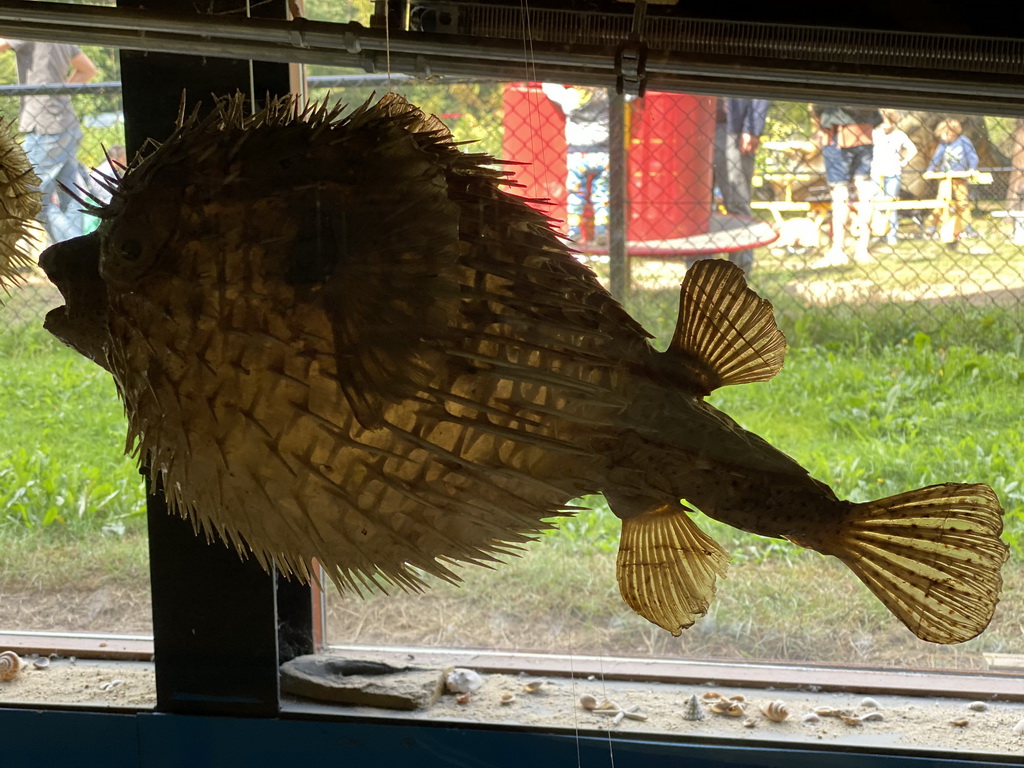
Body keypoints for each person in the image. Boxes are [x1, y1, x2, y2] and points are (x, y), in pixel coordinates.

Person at [0, 39, 97, 244]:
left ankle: (69, 250)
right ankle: (77, 248)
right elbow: (87, 70)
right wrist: (60, 94)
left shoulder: (26, 29)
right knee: (69, 196)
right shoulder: (57, 35)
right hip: (65, 124)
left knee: (29, 196)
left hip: (44, 127)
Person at [808, 104, 879, 267]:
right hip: (865, 131)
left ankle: (838, 250)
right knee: (864, 189)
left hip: (836, 132)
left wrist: (819, 119)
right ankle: (862, 249)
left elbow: (818, 102)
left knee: (839, 192)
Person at [541, 84, 609, 246]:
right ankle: (601, 231)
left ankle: (574, 231)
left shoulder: (571, 96)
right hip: (603, 153)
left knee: (576, 195)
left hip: (577, 154)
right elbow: (629, 95)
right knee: (602, 195)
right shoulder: (607, 95)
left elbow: (550, 88)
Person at [713, 97, 771, 275]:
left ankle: (741, 269)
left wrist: (752, 129)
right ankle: (699, 268)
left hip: (733, 129)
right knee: (698, 203)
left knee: (737, 200)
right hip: (696, 124)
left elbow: (760, 91)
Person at [927, 118, 978, 248]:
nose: (942, 137)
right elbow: (936, 158)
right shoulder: (943, 145)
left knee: (962, 202)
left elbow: (972, 156)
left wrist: (972, 169)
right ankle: (931, 226)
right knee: (941, 202)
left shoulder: (963, 142)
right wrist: (930, 170)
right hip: (945, 177)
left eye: (943, 134)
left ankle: (968, 227)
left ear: (951, 132)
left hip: (960, 177)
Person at [869, 109, 917, 247]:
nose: (885, 126)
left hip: (893, 171)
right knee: (877, 203)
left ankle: (892, 235)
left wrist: (904, 162)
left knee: (891, 204)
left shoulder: (900, 135)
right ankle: (877, 232)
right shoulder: (875, 133)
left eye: (888, 122)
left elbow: (912, 150)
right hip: (876, 172)